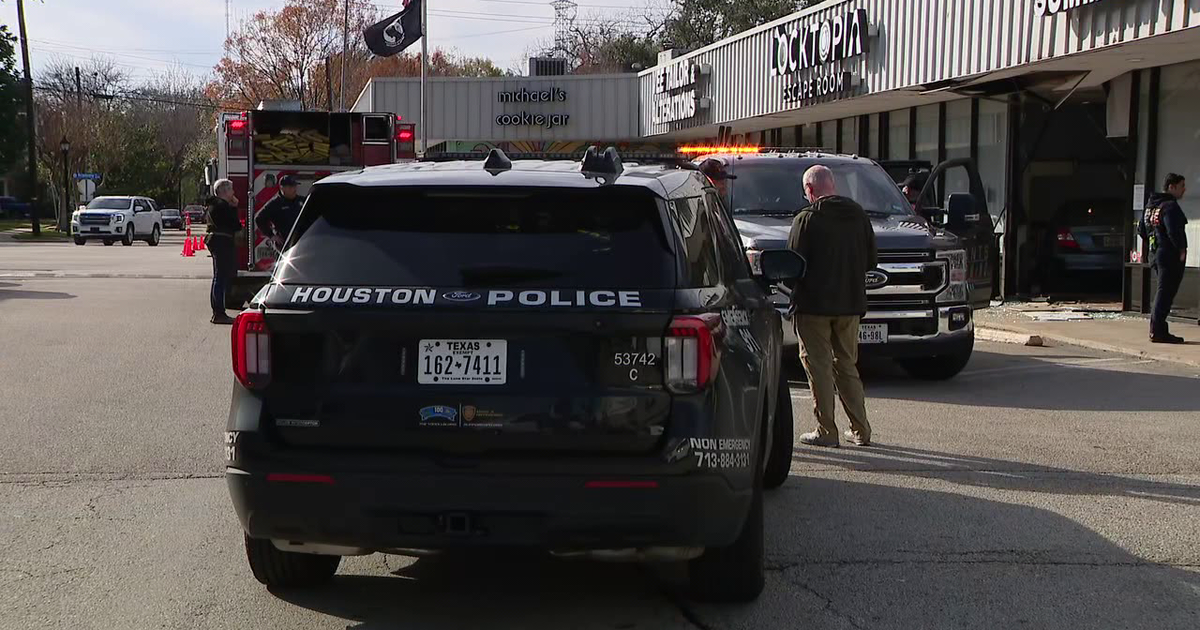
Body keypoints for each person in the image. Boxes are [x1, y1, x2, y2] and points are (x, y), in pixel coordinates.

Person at [787, 165, 876, 447]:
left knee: (819, 366)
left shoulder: (807, 219)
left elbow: (792, 265)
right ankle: (861, 430)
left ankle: (826, 430)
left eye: (806, 191)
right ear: (833, 185)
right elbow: (871, 261)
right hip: (850, 305)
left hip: (813, 306)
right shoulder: (859, 215)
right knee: (846, 364)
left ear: (810, 190)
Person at [1140, 173, 1189, 344]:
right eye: (1182, 186)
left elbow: (1141, 230)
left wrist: (1153, 245)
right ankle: (1158, 330)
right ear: (1171, 187)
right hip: (1168, 255)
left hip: (1155, 254)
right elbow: (1173, 230)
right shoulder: (1170, 207)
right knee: (1165, 292)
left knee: (1163, 291)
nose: (1184, 190)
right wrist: (1181, 249)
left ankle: (1158, 328)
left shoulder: (1150, 207)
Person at [206, 179, 241, 325]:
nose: (233, 192)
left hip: (219, 241)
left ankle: (219, 311)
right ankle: (219, 313)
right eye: (231, 189)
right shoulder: (221, 206)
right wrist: (234, 207)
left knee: (219, 277)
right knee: (219, 278)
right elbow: (235, 225)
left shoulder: (215, 205)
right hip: (221, 242)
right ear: (225, 191)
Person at [255, 174, 305, 248]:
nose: (294, 189)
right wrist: (271, 235)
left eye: (295, 186)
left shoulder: (302, 201)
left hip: (301, 242)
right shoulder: (275, 204)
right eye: (290, 187)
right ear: (282, 188)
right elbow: (259, 219)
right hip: (283, 244)